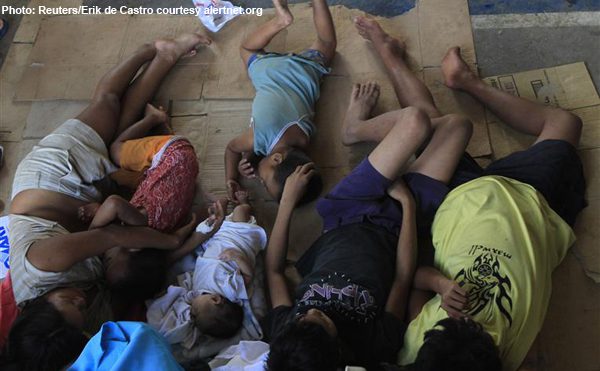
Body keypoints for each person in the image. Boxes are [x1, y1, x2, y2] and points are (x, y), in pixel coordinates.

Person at [263, 16, 475, 370]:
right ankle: (383, 134)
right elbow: (404, 277)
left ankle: (355, 130)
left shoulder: (285, 333)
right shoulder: (373, 345)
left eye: (305, 315)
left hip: (346, 210)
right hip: (397, 226)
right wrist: (406, 206)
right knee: (458, 126)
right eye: (323, 321)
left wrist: (287, 201)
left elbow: (273, 271)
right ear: (339, 352)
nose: (314, 311)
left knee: (416, 121)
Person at [5, 33, 211, 370]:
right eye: (81, 310)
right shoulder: (85, 323)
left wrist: (170, 239)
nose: (80, 299)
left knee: (108, 104)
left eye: (67, 302)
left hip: (53, 178)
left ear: (39, 307)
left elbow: (113, 236)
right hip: (85, 208)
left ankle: (150, 49)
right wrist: (192, 237)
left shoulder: (42, 264)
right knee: (122, 125)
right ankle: (164, 58)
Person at [396, 46, 586, 371]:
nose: (470, 319)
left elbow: (412, 280)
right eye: (478, 329)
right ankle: (468, 82)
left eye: (458, 323)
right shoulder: (512, 355)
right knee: (566, 123)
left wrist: (440, 285)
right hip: (534, 202)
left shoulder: (417, 350)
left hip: (459, 201)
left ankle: (395, 58)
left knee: (430, 126)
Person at [224, 0, 337, 205]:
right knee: (247, 49)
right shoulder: (258, 138)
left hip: (306, 72)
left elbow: (273, 144)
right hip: (270, 71)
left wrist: (249, 160)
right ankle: (280, 21)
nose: (260, 181)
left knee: (327, 44)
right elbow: (232, 149)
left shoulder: (304, 142)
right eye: (266, 182)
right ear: (276, 159)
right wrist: (231, 178)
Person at [147, 194, 266, 351]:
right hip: (236, 241)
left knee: (209, 224)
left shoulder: (197, 292)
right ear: (216, 300)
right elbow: (249, 275)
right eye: (195, 313)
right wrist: (237, 258)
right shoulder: (230, 290)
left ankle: (221, 209)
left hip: (213, 245)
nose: (191, 313)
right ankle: (244, 202)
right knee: (240, 212)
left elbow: (185, 280)